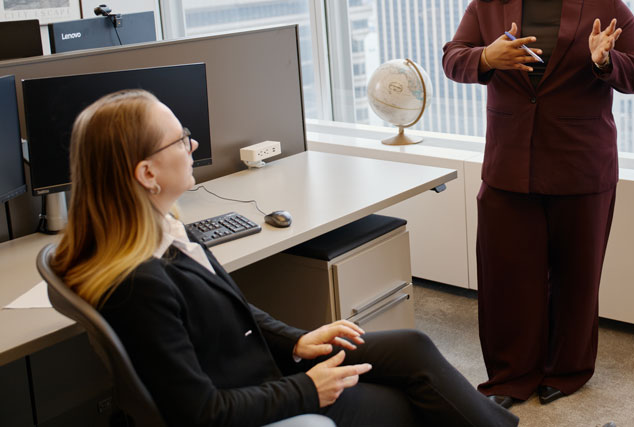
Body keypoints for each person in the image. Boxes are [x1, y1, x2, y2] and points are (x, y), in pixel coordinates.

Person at [49, 89, 518, 427]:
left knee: (412, 348)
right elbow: (199, 412)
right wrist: (308, 389)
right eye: (179, 140)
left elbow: (236, 312)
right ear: (147, 173)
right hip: (251, 396)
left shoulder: (163, 228)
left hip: (264, 366)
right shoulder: (139, 283)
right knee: (411, 405)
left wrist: (298, 340)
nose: (192, 146)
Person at [441, 0, 634, 408]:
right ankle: (511, 377)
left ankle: (568, 370)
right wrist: (486, 58)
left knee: (576, 278)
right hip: (509, 163)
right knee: (505, 279)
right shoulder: (490, 2)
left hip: (581, 163)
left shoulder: (603, 1)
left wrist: (606, 61)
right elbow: (453, 58)